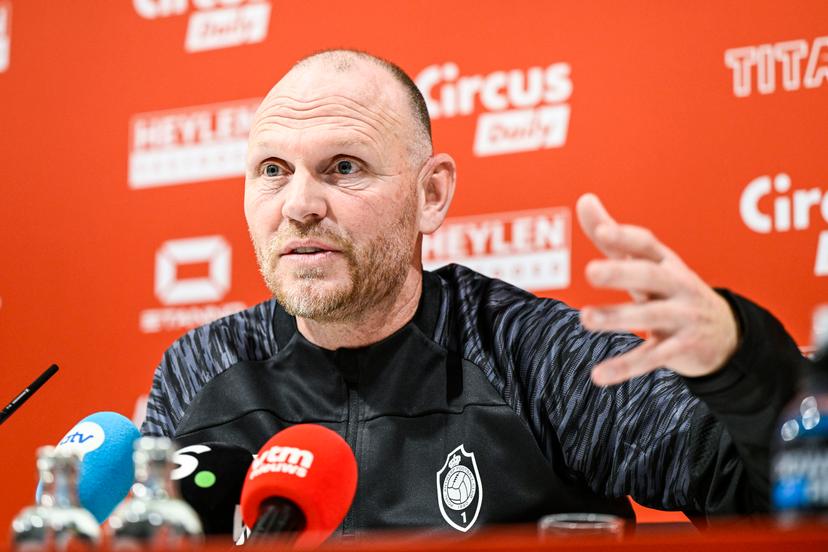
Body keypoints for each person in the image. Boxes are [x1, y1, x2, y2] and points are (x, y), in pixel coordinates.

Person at [142, 49, 805, 533]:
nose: (300, 204)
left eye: (343, 168)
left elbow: (770, 497)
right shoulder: (201, 367)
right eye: (273, 171)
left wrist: (738, 363)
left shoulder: (534, 355)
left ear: (431, 195)